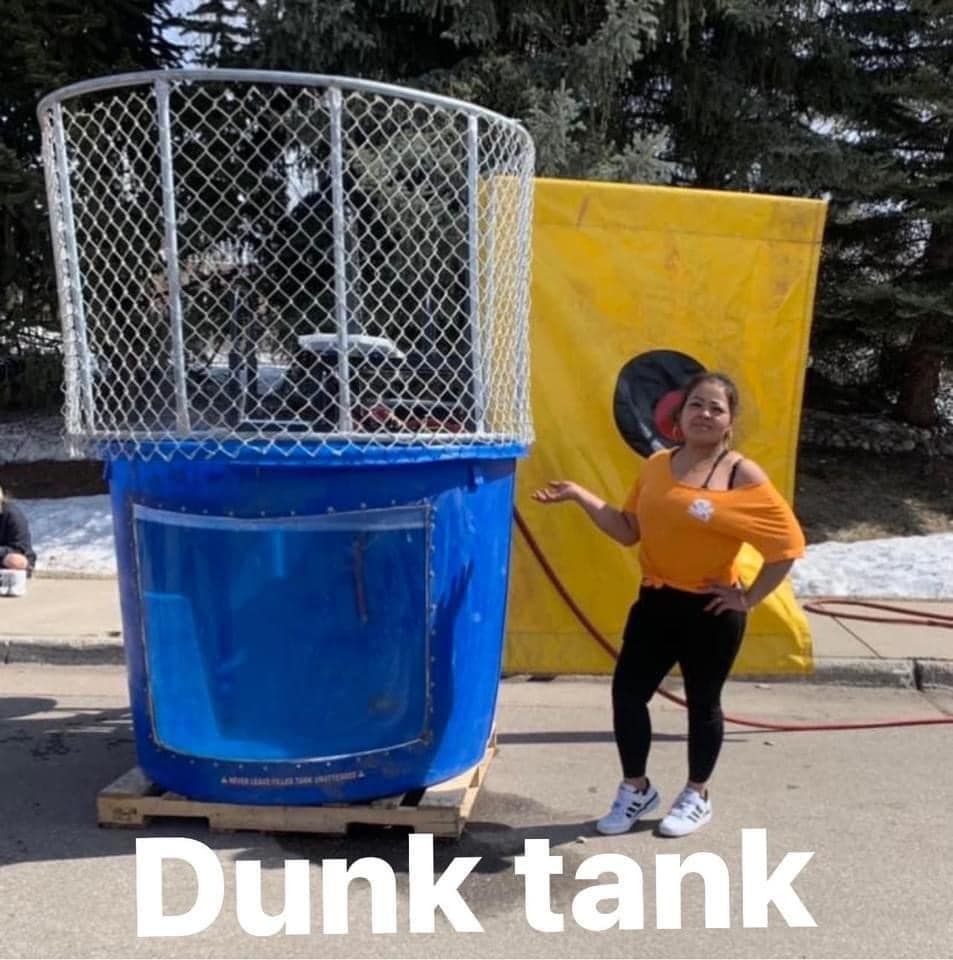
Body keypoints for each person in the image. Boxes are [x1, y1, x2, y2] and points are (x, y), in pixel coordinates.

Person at [532, 371, 805, 837]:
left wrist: (748, 597)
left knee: (703, 704)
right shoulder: (657, 465)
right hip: (655, 602)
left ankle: (697, 794)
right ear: (678, 415)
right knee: (627, 696)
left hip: (710, 613)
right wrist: (580, 495)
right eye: (696, 404)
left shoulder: (741, 474)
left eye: (716, 408)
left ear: (729, 422)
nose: (705, 414)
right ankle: (636, 788)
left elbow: (788, 544)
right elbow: (627, 530)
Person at [0, 485, 36, 597]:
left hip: (11, 558)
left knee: (16, 560)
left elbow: (20, 549)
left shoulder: (12, 515)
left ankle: (12, 580)